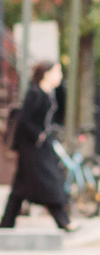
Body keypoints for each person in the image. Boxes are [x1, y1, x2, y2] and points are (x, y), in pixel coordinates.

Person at [3, 60, 74, 231]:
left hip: (41, 146)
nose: (60, 76)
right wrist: (38, 134)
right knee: (49, 181)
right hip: (32, 147)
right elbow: (24, 120)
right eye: (57, 72)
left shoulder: (50, 93)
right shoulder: (35, 93)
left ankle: (6, 223)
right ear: (46, 74)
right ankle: (63, 221)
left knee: (20, 187)